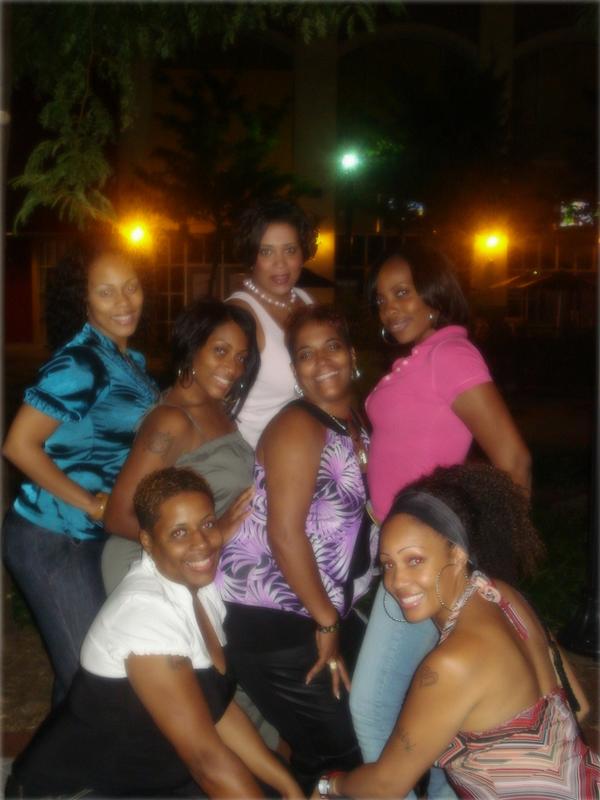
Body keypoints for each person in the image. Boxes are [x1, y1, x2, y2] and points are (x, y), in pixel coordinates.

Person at [349, 242, 531, 799]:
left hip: (427, 559)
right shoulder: (417, 358)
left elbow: (514, 458)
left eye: (402, 293)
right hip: (404, 549)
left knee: (373, 705)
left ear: (434, 295)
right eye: (382, 300)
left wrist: (493, 558)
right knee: (439, 711)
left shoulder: (450, 354)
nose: (390, 309)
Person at [5, 467, 302, 799]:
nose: (202, 542)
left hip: (153, 777)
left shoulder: (199, 590)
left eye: (207, 524)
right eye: (179, 533)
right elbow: (206, 761)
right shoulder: (145, 615)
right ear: (147, 540)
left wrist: (288, 787)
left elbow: (218, 707)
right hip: (79, 790)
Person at [315, 464, 600, 799]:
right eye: (388, 564)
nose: (396, 582)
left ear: (459, 553)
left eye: (415, 560)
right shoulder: (503, 596)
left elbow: (386, 786)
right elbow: (579, 705)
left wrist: (329, 784)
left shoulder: (452, 664)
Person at [217, 305, 376, 795]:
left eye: (332, 346)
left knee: (336, 747)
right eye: (305, 354)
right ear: (294, 369)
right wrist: (326, 622)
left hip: (320, 610)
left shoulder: (353, 420)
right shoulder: (298, 427)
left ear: (352, 354)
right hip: (276, 624)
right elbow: (284, 535)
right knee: (342, 754)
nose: (321, 361)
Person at [2, 241, 158, 704]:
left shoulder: (126, 359)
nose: (124, 302)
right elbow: (18, 445)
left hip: (88, 537)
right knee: (92, 681)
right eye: (105, 292)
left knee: (81, 672)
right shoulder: (82, 362)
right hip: (52, 535)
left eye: (131, 287)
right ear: (83, 300)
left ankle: (65, 752)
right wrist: (93, 504)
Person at [101, 298, 259, 593]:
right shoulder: (171, 421)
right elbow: (117, 517)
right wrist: (214, 534)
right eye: (220, 351)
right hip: (148, 568)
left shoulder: (214, 406)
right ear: (192, 347)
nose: (233, 368)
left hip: (190, 563)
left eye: (241, 358)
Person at [228, 198, 316, 448]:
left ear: (302, 253)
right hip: (252, 456)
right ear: (251, 257)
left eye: (290, 250)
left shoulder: (307, 301)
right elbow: (210, 397)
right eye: (266, 252)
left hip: (305, 449)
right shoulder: (238, 314)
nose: (280, 263)